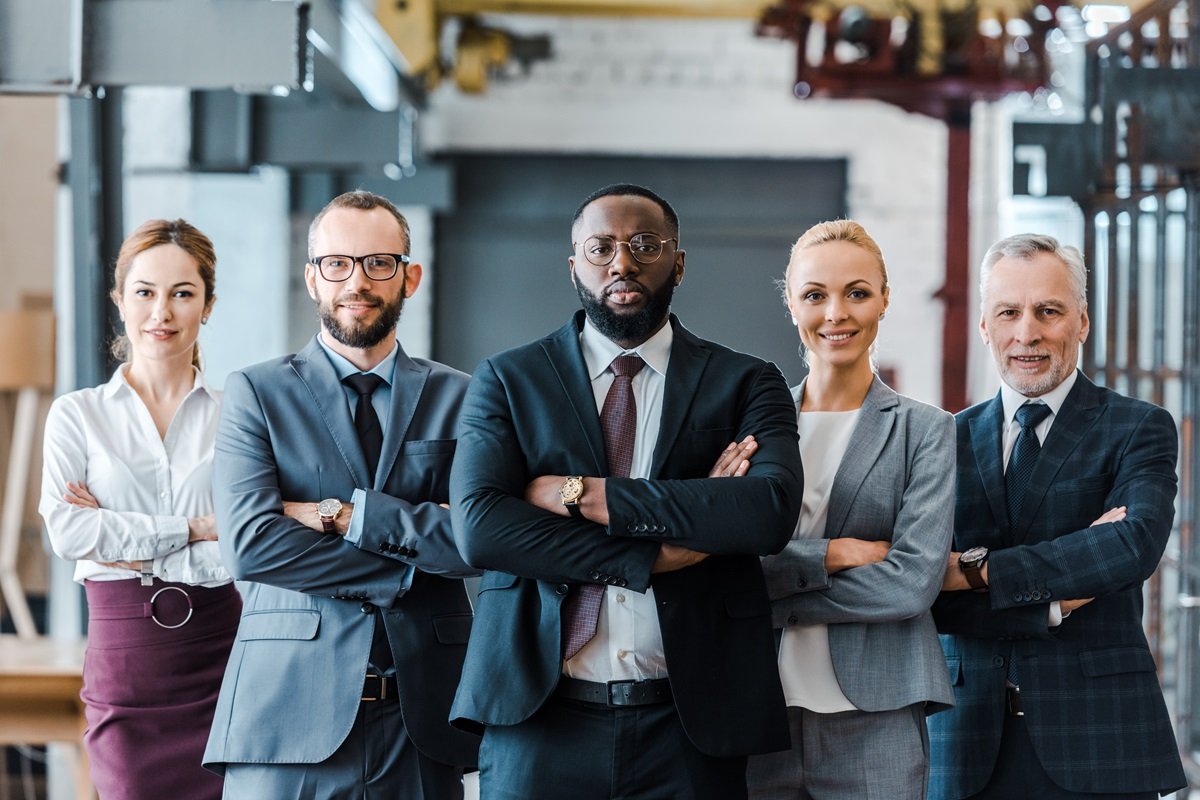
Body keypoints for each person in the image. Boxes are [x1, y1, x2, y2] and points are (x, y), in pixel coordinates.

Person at [448, 183, 804, 799]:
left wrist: (581, 495)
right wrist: (660, 551)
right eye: (601, 247)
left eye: (645, 244)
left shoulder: (747, 382)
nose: (622, 262)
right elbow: (481, 528)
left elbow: (766, 514)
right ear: (574, 265)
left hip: (690, 722)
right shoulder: (509, 379)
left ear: (679, 262)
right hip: (539, 717)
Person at [202, 190, 480, 798]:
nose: (358, 281)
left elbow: (476, 541)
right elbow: (251, 547)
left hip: (423, 719)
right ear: (312, 278)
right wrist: (409, 564)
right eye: (337, 263)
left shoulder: (462, 398)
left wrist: (345, 516)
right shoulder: (256, 392)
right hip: (283, 714)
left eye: (379, 263)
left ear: (410, 277)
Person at [929, 233, 1187, 799]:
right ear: (984, 326)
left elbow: (1131, 547)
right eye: (1009, 312)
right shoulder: (940, 441)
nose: (1028, 332)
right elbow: (923, 590)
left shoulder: (1138, 428)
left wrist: (973, 570)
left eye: (1049, 310)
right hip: (964, 741)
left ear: (1082, 322)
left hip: (1099, 739)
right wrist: (1053, 601)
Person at [745, 220, 955, 800]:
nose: (836, 313)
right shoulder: (751, 430)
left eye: (857, 293)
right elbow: (721, 565)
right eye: (815, 295)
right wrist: (831, 556)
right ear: (791, 304)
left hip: (879, 712)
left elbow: (911, 584)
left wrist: (769, 589)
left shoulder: (926, 431)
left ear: (883, 300)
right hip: (756, 711)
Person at [39, 218, 239, 800]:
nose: (163, 312)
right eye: (145, 292)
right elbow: (69, 532)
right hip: (125, 657)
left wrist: (127, 540)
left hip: (221, 651)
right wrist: (195, 529)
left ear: (208, 305)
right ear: (120, 301)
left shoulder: (239, 415)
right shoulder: (77, 415)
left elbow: (248, 538)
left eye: (183, 293)